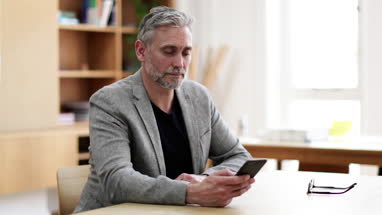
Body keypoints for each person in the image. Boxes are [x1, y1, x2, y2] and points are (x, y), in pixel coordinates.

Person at [74, 6, 254, 213]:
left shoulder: (199, 97)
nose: (180, 63)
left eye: (186, 52)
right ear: (141, 51)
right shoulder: (109, 102)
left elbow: (239, 155)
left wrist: (203, 179)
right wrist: (190, 191)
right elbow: (117, 180)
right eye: (169, 52)